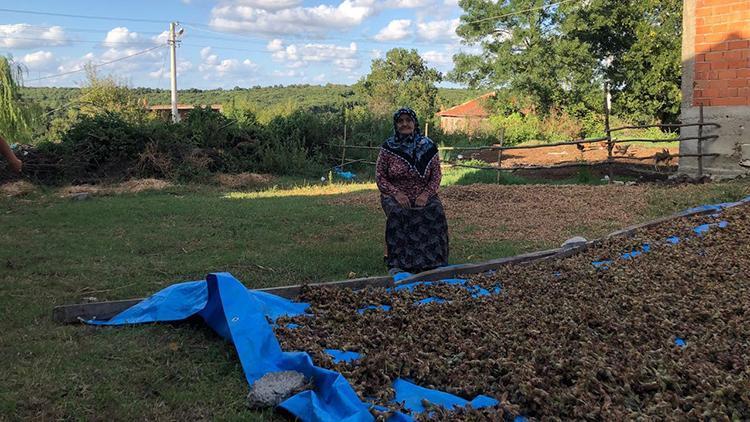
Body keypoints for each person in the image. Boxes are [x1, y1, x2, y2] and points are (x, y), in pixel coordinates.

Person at [375, 107, 448, 275]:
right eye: (400, 121)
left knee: (435, 210)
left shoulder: (429, 146)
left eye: (408, 120)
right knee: (398, 212)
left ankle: (433, 260)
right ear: (395, 125)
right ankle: (398, 263)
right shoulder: (388, 147)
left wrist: (425, 194)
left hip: (424, 193)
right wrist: (396, 193)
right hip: (395, 194)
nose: (404, 124)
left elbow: (436, 176)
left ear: (415, 123)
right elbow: (380, 177)